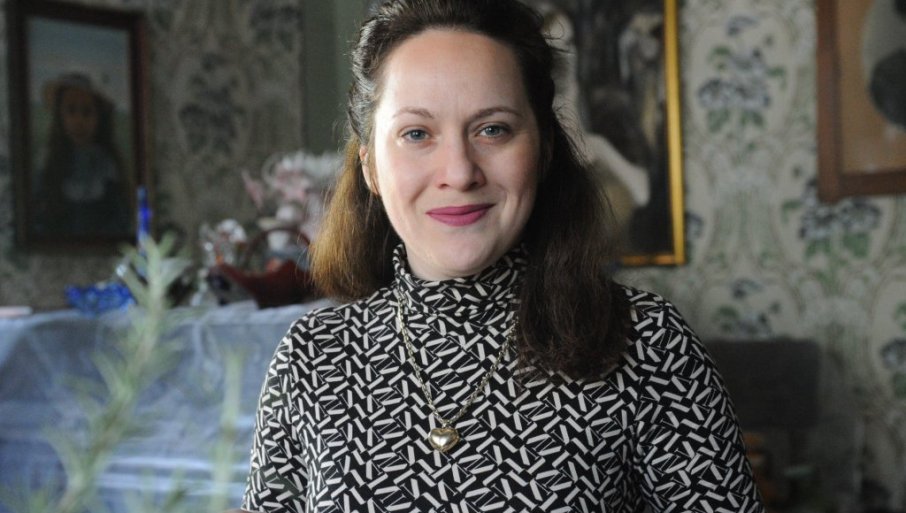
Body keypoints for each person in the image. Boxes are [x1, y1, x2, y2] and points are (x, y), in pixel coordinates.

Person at [242, 0, 765, 511]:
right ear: (371, 169)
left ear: (544, 150)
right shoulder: (312, 357)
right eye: (416, 134)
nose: (460, 172)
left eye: (492, 129)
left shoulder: (649, 344)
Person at [31, 72, 131, 239]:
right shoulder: (48, 160)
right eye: (71, 111)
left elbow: (121, 216)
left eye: (87, 112)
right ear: (60, 116)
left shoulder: (107, 164)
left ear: (98, 118)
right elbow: (37, 214)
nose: (79, 121)